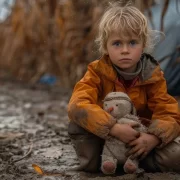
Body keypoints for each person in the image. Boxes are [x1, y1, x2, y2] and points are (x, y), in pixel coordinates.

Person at [67, 1, 180, 174]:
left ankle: (134, 160)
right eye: (117, 43)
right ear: (105, 46)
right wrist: (113, 128)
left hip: (138, 138)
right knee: (79, 124)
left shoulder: (153, 76)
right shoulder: (96, 72)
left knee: (175, 155)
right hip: (105, 138)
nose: (125, 50)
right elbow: (77, 105)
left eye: (133, 42)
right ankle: (104, 161)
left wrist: (152, 138)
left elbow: (169, 113)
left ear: (143, 45)